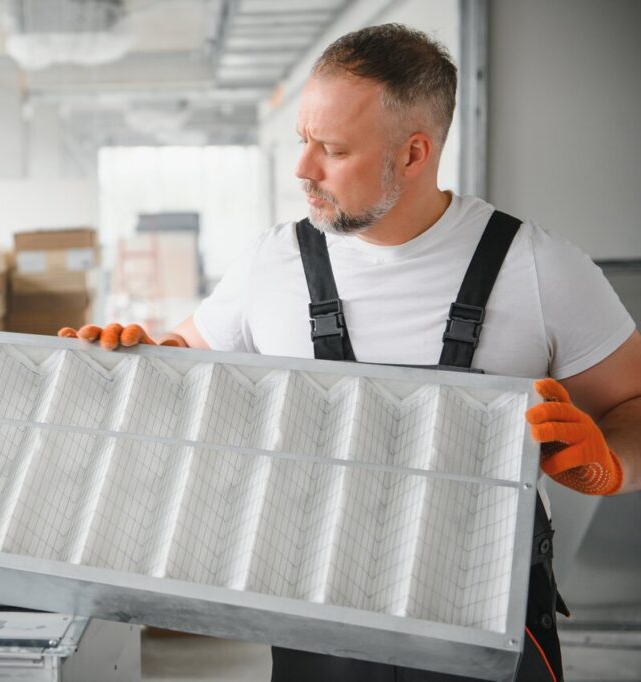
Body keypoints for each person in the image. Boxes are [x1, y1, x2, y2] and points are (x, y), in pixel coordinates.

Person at [60, 23, 640, 682]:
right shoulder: (271, 263)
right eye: (302, 140)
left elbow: (632, 405)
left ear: (414, 154)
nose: (303, 169)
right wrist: (126, 360)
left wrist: (613, 462)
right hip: (317, 635)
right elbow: (181, 364)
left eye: (332, 149)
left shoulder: (539, 268)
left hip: (491, 639)